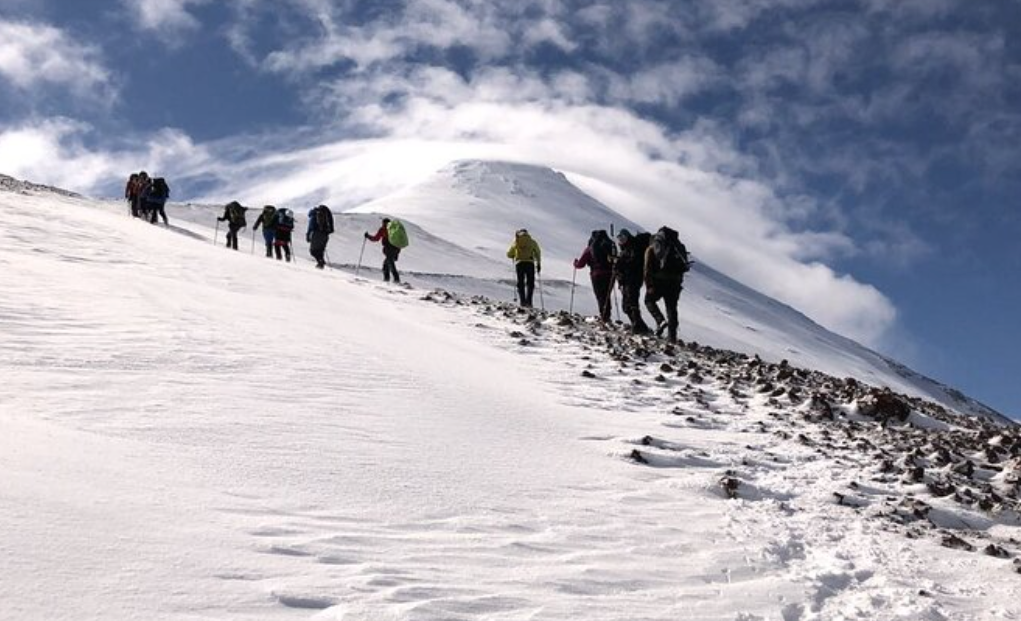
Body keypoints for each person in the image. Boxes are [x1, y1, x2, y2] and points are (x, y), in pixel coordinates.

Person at [644, 226, 690, 342]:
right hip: (674, 283)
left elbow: (647, 268)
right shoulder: (678, 246)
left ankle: (660, 321)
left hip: (659, 281)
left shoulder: (652, 247)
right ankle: (672, 337)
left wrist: (649, 285)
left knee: (649, 300)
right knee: (671, 309)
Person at [614, 229, 652, 334]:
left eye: (623, 238)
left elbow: (634, 263)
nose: (621, 241)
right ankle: (640, 325)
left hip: (632, 279)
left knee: (631, 302)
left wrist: (620, 263)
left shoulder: (634, 248)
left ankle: (637, 326)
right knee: (627, 305)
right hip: (629, 280)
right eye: (619, 239)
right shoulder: (627, 249)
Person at [573, 230, 616, 323]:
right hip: (610, 274)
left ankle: (604, 317)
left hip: (597, 275)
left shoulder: (590, 248)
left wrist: (575, 263)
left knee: (600, 296)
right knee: (606, 295)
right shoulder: (610, 245)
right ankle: (607, 315)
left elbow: (580, 264)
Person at [507, 229, 541, 307]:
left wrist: (513, 255)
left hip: (519, 264)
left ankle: (522, 302)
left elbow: (509, 254)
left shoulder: (517, 241)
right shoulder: (532, 242)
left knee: (521, 283)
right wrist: (538, 263)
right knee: (530, 283)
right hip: (530, 263)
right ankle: (529, 302)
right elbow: (538, 252)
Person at [364, 217, 401, 283]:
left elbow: (376, 238)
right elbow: (399, 242)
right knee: (387, 265)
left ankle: (394, 280)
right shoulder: (394, 229)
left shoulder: (383, 229)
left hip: (389, 249)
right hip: (394, 250)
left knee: (389, 264)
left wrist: (368, 236)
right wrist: (397, 252)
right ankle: (390, 280)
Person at [307, 204, 334, 269]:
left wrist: (308, 235)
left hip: (317, 233)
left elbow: (311, 227)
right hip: (325, 234)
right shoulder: (325, 214)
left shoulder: (313, 215)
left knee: (313, 251)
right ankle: (320, 264)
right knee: (320, 250)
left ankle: (320, 262)